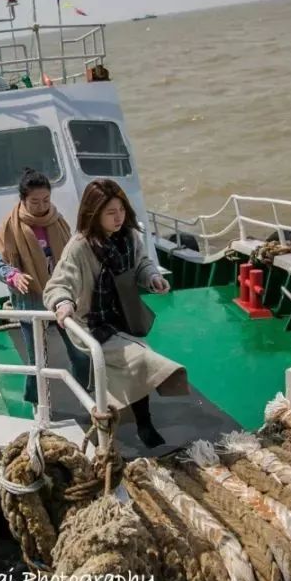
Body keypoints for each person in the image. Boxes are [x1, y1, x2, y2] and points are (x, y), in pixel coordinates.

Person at [44, 179, 188, 447]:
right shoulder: (80, 247)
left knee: (134, 367)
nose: (118, 217)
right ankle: (139, 419)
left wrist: (153, 278)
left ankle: (142, 423)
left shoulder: (130, 238)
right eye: (110, 212)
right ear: (94, 213)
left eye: (121, 209)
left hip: (125, 316)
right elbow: (59, 283)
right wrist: (63, 302)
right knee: (140, 359)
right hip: (93, 322)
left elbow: (143, 264)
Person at [0, 168, 89, 404]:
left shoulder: (57, 220)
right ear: (22, 199)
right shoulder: (9, 227)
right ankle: (36, 403)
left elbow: (73, 253)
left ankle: (86, 392)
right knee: (38, 359)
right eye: (34, 201)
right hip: (30, 298)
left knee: (80, 350)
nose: (41, 205)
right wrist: (14, 275)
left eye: (46, 200)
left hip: (62, 295)